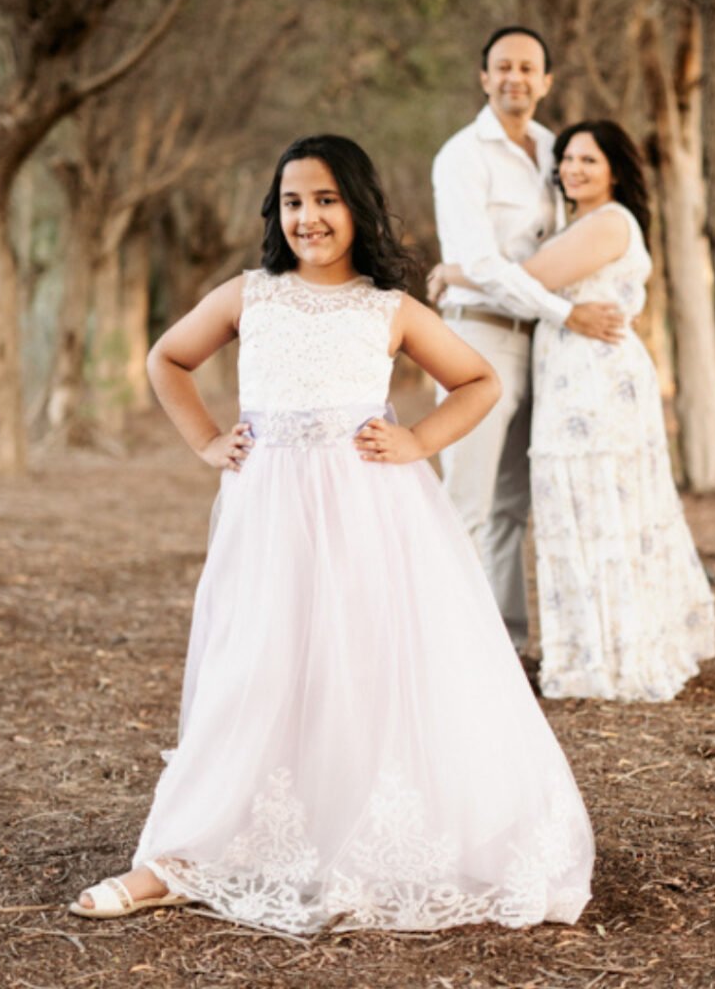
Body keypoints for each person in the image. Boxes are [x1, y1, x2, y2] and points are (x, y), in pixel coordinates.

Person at [69, 135, 593, 932]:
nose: (307, 217)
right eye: (292, 202)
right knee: (254, 666)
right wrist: (210, 440)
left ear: (356, 208)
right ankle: (176, 857)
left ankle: (352, 838)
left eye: (325, 200)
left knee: (360, 666)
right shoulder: (250, 295)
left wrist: (418, 439)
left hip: (368, 513)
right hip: (269, 513)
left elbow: (478, 380)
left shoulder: (389, 309)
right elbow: (166, 361)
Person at [430, 120, 715, 701]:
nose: (573, 169)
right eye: (566, 159)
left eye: (588, 159)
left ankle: (610, 654)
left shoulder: (611, 222)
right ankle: (588, 648)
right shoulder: (581, 223)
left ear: (615, 168)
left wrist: (453, 271)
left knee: (598, 510)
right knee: (575, 513)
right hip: (566, 380)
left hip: (596, 385)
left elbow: (529, 280)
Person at [432, 26, 624, 653]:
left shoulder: (552, 150)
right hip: (477, 342)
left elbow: (578, 237)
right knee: (465, 506)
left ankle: (504, 648)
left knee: (514, 504)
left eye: (527, 68)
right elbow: (481, 265)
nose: (515, 77)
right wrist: (565, 314)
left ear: (546, 81)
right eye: (502, 66)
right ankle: (447, 652)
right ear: (484, 77)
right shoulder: (461, 156)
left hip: (540, 346)